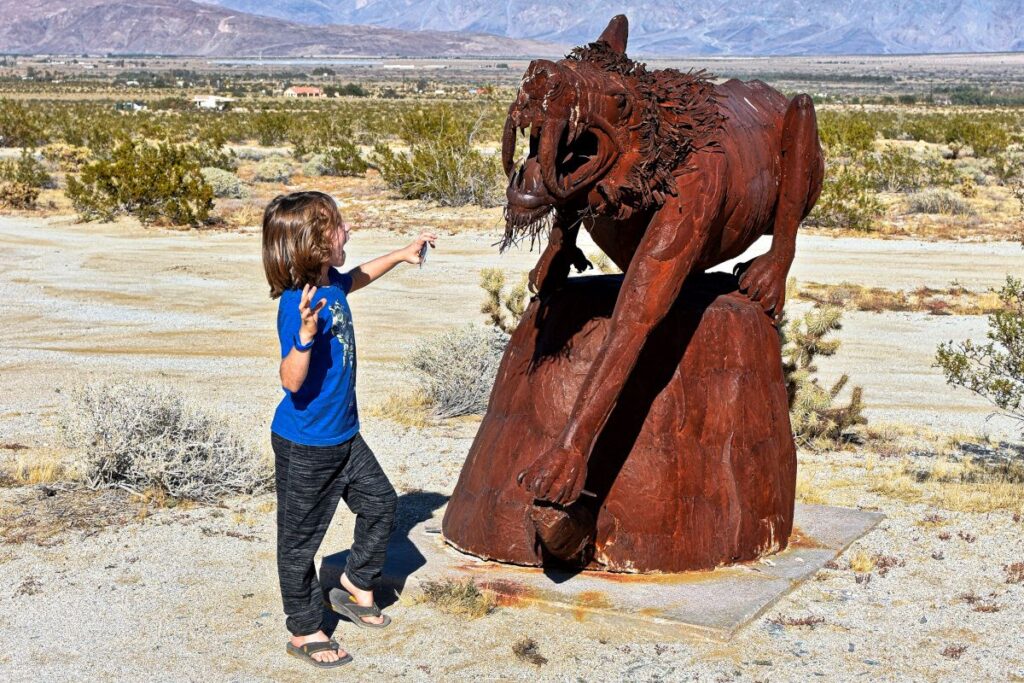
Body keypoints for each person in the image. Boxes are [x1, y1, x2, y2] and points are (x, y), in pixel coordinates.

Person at [261, 190, 436, 668]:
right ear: (315, 243)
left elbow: (358, 276)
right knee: (298, 545)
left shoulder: (331, 283)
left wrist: (400, 255)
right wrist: (304, 339)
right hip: (306, 444)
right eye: (339, 226)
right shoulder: (297, 305)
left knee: (381, 505)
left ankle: (355, 583)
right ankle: (303, 630)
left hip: (344, 436)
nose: (348, 231)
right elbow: (290, 381)